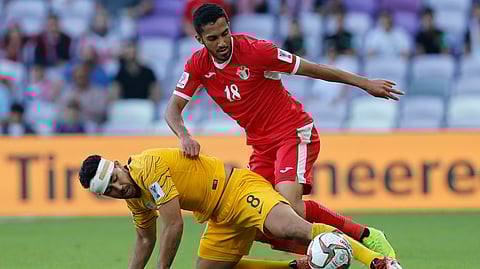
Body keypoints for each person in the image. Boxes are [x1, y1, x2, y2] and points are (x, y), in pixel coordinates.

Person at [165, 3, 403, 257]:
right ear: (199, 39)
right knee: (255, 220)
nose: (222, 42)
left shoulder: (257, 51)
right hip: (261, 146)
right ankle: (319, 257)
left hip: (293, 132)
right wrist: (184, 135)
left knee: (289, 211)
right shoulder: (198, 65)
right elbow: (172, 110)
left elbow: (315, 69)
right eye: (213, 38)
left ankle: (363, 237)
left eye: (225, 33)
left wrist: (365, 83)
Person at [78, 148, 402, 269]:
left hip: (237, 189)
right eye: (109, 191)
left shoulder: (147, 167)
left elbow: (173, 225)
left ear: (120, 165)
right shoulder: (133, 197)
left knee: (291, 227)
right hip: (219, 217)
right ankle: (301, 266)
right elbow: (145, 239)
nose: (118, 189)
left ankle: (378, 261)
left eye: (116, 179)